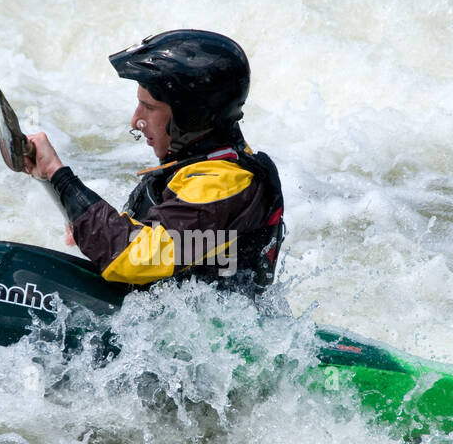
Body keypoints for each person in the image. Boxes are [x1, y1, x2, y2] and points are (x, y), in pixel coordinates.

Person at [24, 29, 285, 294]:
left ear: (190, 116)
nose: (135, 121)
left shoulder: (224, 182)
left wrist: (58, 173)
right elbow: (142, 240)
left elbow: (130, 257)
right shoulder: (200, 165)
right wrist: (79, 215)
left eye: (148, 108)